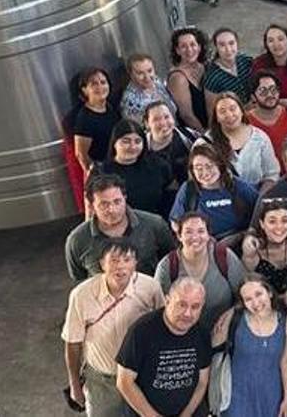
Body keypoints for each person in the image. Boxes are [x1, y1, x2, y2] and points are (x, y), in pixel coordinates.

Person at [62, 238, 165, 416]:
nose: (121, 267)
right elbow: (72, 343)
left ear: (135, 263)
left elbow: (163, 327)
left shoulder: (151, 287)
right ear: (102, 263)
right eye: (114, 260)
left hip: (141, 378)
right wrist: (75, 384)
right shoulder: (81, 295)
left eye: (127, 260)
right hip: (102, 382)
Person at [116, 277, 212, 417]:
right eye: (182, 305)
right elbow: (124, 382)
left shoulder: (202, 333)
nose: (188, 313)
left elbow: (202, 382)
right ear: (167, 301)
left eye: (195, 307)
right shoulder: (142, 331)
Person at [211, 275, 287, 417]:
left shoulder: (286, 323)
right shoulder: (235, 318)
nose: (255, 302)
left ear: (269, 292)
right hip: (237, 396)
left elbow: (286, 363)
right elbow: (213, 348)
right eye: (248, 299)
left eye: (258, 294)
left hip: (271, 395)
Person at [65, 174, 176, 281]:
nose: (112, 209)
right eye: (104, 204)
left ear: (125, 198)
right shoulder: (77, 240)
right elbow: (80, 279)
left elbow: (171, 262)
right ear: (92, 206)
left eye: (117, 201)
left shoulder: (155, 225)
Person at [155, 212, 244, 330]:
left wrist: (230, 317)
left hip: (222, 334)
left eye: (201, 231)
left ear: (208, 235)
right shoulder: (167, 266)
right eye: (188, 232)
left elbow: (243, 296)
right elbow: (159, 307)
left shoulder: (224, 257)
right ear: (179, 236)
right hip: (182, 335)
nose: (195, 237)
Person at [169, 142, 260, 241]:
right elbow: (176, 222)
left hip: (238, 240)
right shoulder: (188, 189)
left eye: (209, 166)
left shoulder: (238, 186)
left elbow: (261, 209)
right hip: (202, 243)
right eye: (199, 168)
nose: (205, 172)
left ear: (219, 165)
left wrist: (247, 235)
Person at [91, 119, 176, 218]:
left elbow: (172, 198)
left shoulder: (159, 165)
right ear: (114, 143)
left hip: (157, 225)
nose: (133, 146)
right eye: (126, 141)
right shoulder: (101, 172)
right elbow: (92, 209)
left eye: (138, 141)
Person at [205, 91, 280, 191]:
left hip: (256, 200)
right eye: (222, 111)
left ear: (241, 111)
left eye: (233, 109)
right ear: (216, 117)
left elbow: (271, 175)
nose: (229, 114)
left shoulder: (260, 138)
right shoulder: (206, 143)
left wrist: (259, 200)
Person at [240, 197, 287, 295]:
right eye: (272, 221)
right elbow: (250, 288)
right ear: (262, 224)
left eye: (284, 221)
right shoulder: (253, 251)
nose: (279, 227)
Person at [246, 71, 287, 169]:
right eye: (263, 91)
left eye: (273, 89)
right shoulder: (245, 122)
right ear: (253, 97)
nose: (270, 94)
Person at [71, 66, 121, 181]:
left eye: (103, 82)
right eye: (94, 84)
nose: (100, 87)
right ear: (84, 90)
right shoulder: (84, 118)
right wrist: (97, 175)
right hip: (104, 175)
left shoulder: (110, 107)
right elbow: (81, 155)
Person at [144, 100, 198, 194]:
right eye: (156, 119)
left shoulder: (189, 135)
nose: (163, 123)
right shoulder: (140, 146)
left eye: (166, 117)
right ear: (147, 123)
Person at [167, 26, 211, 131]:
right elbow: (186, 115)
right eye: (183, 46)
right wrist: (206, 136)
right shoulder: (178, 78)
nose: (189, 50)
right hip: (195, 131)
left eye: (193, 44)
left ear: (199, 47)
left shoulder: (206, 67)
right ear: (177, 51)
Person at [253, 24, 287, 99]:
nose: (276, 44)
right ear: (266, 45)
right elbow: (254, 95)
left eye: (280, 39)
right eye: (270, 40)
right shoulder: (259, 64)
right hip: (266, 108)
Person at [204, 27, 254, 107]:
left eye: (231, 43)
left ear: (237, 43)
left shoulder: (246, 61)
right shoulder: (212, 77)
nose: (228, 49)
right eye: (222, 45)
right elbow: (212, 110)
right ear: (216, 47)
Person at [120, 52, 177, 122]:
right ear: (131, 75)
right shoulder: (130, 102)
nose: (147, 77)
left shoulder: (157, 81)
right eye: (140, 73)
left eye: (150, 71)